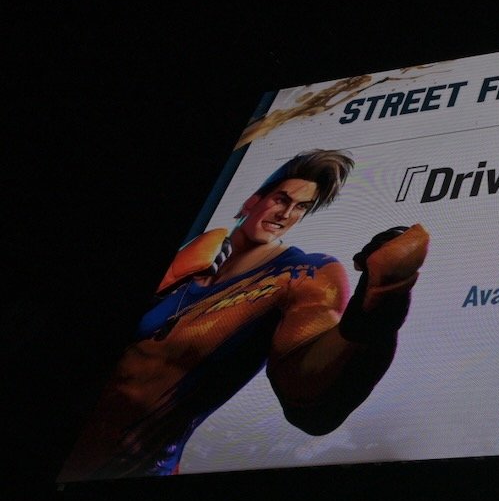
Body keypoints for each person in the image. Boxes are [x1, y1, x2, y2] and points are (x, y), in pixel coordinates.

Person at [60, 149, 430, 479]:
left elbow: (312, 399)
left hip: (128, 476)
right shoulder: (192, 257)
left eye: (301, 207)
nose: (286, 214)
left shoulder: (302, 275)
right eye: (281, 199)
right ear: (253, 200)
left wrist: (380, 301)